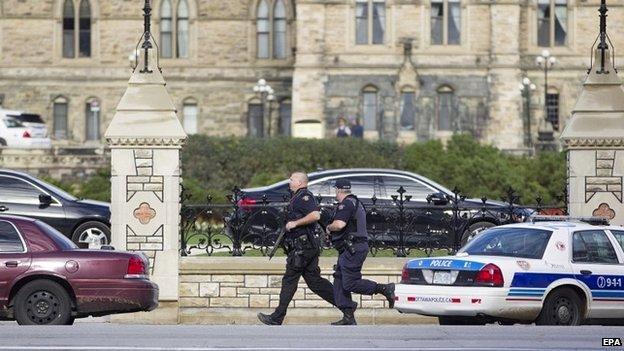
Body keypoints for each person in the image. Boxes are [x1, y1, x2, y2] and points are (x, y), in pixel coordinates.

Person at [257, 172, 336, 325]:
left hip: (303, 249)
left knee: (289, 280)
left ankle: (277, 317)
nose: (289, 181)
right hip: (305, 248)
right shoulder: (298, 197)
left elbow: (315, 215)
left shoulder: (304, 197)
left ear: (299, 182)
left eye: (292, 179)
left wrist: (295, 223)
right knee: (315, 282)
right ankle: (347, 307)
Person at [326, 179, 395, 325]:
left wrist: (328, 227)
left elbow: (339, 225)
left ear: (338, 190)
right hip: (351, 247)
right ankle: (348, 316)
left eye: (335, 190)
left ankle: (383, 288)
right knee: (339, 279)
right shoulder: (356, 202)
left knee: (350, 283)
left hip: (353, 249)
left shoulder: (346, 204)